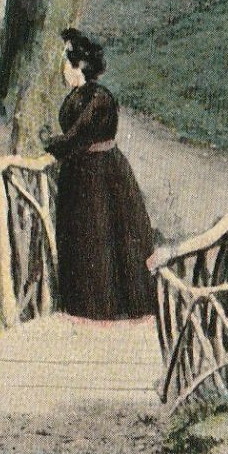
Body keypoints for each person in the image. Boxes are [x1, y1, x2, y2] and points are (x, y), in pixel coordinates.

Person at [41, 29, 157, 320]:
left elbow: (78, 135)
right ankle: (82, 304)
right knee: (82, 238)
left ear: (79, 66)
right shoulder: (76, 96)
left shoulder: (99, 98)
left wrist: (51, 144)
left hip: (102, 175)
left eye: (66, 65)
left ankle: (109, 307)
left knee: (104, 236)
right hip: (79, 175)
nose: (63, 72)